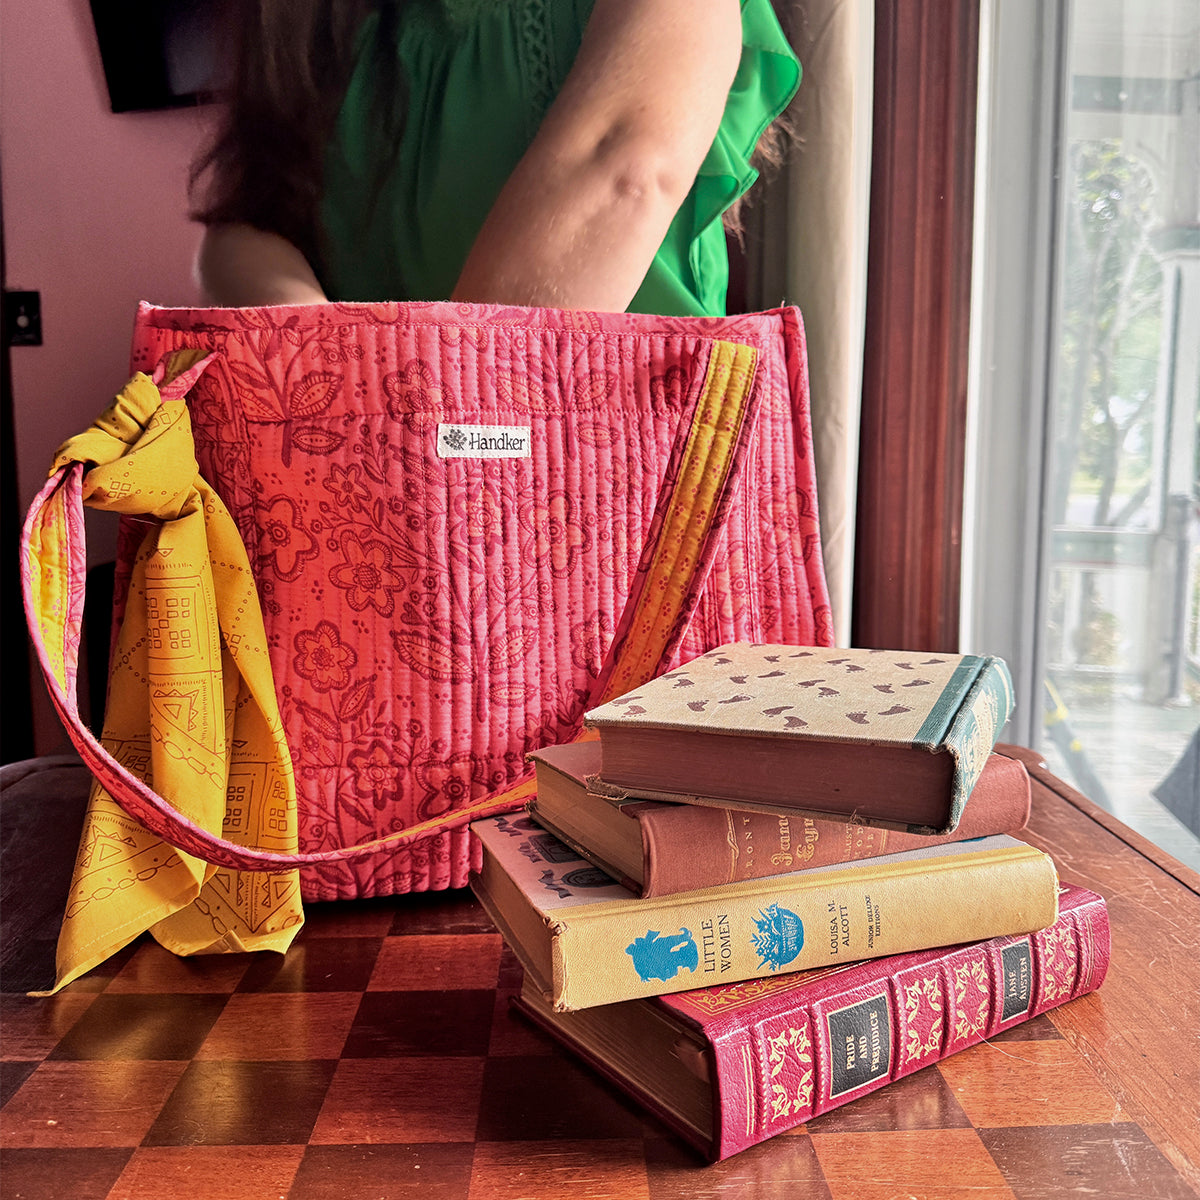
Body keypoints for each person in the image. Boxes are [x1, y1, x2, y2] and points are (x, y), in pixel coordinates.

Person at [191, 0, 800, 316]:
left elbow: (622, 169)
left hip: (620, 491)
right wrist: (309, 344)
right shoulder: (323, 26)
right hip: (380, 490)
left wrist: (430, 442)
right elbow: (248, 223)